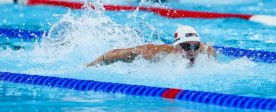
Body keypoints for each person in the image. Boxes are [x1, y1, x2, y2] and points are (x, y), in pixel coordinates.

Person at [86, 25, 216, 67]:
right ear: (175, 46)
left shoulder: (204, 50)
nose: (192, 52)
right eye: (186, 47)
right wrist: (90, 66)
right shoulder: (154, 52)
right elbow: (113, 55)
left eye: (196, 46)